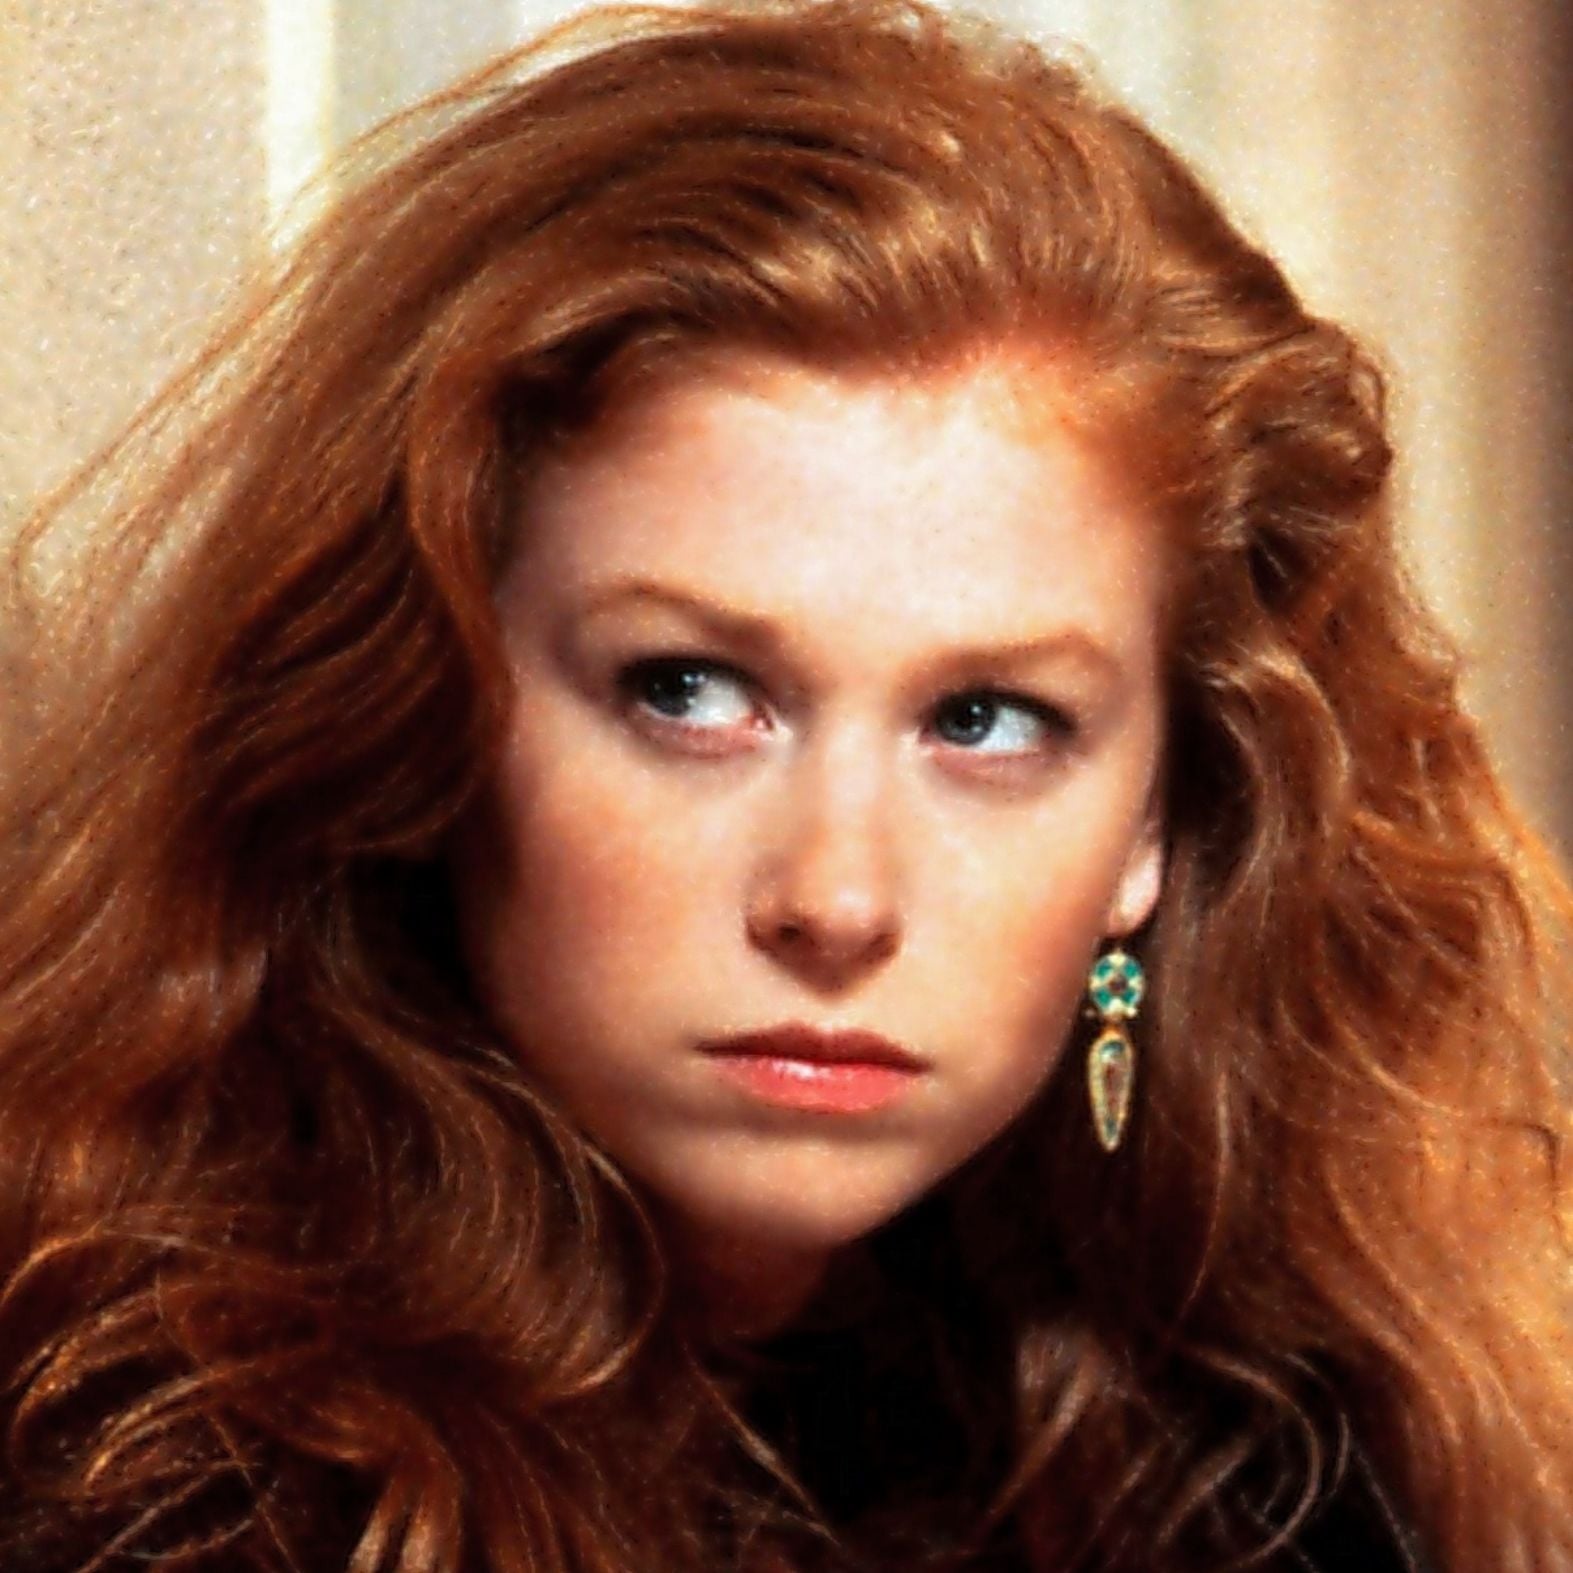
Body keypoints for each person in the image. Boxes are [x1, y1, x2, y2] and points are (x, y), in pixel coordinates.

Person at [1, 0, 1569, 1568]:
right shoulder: (141, 1474)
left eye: (986, 721)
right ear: (424, 707)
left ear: (1153, 823)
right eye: (687, 692)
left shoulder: (1271, 1463)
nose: (835, 896)